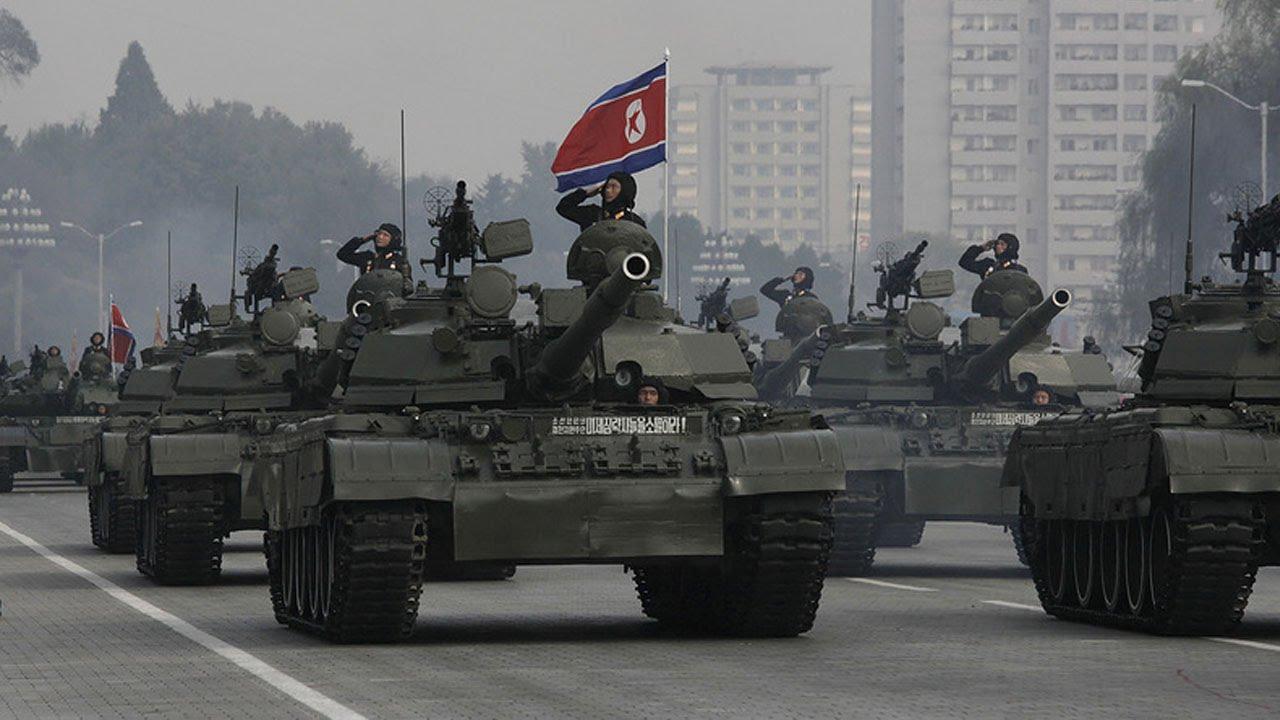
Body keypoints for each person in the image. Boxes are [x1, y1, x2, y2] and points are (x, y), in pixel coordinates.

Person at [556, 172, 647, 232]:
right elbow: (563, 208)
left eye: (614, 187)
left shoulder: (634, 222)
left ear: (624, 191)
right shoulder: (592, 214)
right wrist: (584, 193)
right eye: (607, 186)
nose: (608, 190)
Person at [337, 223, 411, 280]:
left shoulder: (399, 261)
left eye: (385, 235)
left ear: (393, 240)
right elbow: (342, 254)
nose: (380, 237)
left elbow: (407, 286)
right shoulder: (367, 257)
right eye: (379, 233)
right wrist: (362, 240)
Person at [959, 232, 1027, 278]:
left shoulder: (1019, 270)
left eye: (1002, 244)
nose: (998, 246)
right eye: (997, 243)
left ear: (1010, 247)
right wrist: (981, 248)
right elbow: (965, 262)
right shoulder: (988, 265)